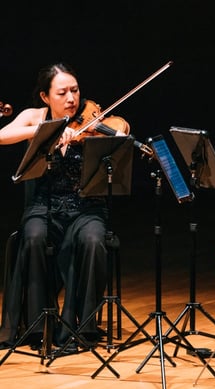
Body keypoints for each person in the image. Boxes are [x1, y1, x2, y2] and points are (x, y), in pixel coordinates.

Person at [0, 62, 126, 350]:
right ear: (46, 97)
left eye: (75, 90)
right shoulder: (35, 115)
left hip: (86, 207)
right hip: (44, 206)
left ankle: (80, 326)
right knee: (32, 237)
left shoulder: (91, 120)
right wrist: (47, 132)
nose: (71, 99)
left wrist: (115, 137)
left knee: (93, 241)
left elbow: (121, 134)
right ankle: (39, 324)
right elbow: (3, 135)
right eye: (62, 93)